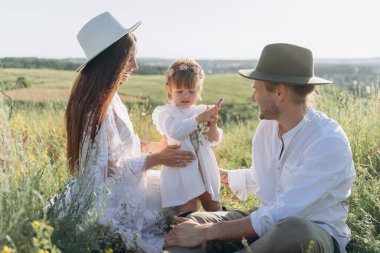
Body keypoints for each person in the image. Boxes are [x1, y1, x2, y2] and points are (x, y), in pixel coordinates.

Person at [164, 43, 356, 253]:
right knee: (190, 223)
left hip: (311, 231)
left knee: (294, 229)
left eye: (256, 89)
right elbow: (260, 178)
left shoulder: (328, 142)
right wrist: (218, 174)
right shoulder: (266, 128)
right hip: (264, 220)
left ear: (279, 92)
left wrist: (209, 232)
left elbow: (284, 213)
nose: (252, 97)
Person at [64, 12, 195, 252]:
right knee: (181, 188)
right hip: (113, 197)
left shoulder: (107, 95)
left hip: (123, 184)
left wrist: (161, 147)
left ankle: (196, 228)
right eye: (130, 59)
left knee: (180, 181)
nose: (135, 66)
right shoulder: (95, 106)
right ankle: (197, 236)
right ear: (112, 60)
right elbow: (109, 170)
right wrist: (158, 159)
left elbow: (123, 147)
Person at [152, 58, 223, 216]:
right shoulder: (167, 113)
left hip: (203, 166)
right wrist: (199, 119)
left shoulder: (201, 110)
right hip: (181, 168)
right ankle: (189, 232)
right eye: (180, 91)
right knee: (187, 207)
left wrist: (213, 125)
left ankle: (223, 230)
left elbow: (214, 140)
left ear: (199, 90)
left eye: (191, 91)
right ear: (169, 90)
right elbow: (176, 132)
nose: (186, 96)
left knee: (211, 202)